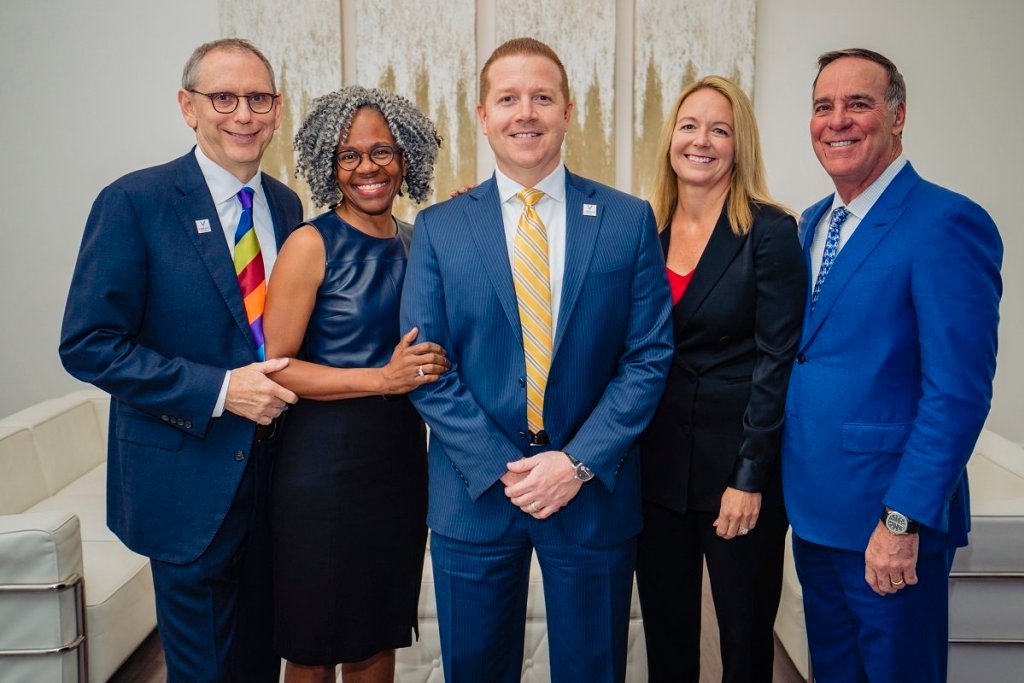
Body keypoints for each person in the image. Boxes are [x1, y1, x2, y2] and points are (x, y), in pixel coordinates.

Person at [399, 37, 674, 683]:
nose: (526, 113)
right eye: (509, 98)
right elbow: (425, 366)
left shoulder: (627, 220)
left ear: (569, 110)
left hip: (590, 491)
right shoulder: (439, 226)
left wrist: (575, 463)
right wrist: (507, 467)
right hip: (476, 492)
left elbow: (649, 355)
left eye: (542, 97)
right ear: (482, 113)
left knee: (593, 669)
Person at [59, 38, 303, 682]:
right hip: (186, 482)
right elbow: (89, 344)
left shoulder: (285, 205)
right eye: (223, 97)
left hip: (274, 481)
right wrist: (222, 390)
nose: (242, 114)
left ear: (277, 109)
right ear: (188, 106)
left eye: (258, 99)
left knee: (256, 661)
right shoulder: (134, 203)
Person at [782, 48, 1002, 682]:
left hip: (888, 525)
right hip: (816, 517)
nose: (838, 120)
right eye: (824, 106)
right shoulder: (813, 224)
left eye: (859, 104)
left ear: (898, 115)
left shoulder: (946, 223)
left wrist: (901, 519)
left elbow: (956, 394)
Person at [262, 86, 446, 683]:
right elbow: (278, 366)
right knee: (313, 644)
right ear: (328, 164)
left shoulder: (421, 243)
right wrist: (383, 378)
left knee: (378, 632)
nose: (368, 168)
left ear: (406, 158)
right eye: (349, 156)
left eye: (382, 151)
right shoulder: (310, 244)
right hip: (318, 473)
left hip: (397, 467)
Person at [635, 76, 806, 682]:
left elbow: (775, 362)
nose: (700, 140)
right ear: (670, 140)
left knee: (742, 646)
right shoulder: (641, 231)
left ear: (740, 145)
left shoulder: (770, 232)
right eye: (689, 126)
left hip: (738, 478)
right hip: (655, 474)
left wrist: (749, 478)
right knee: (667, 643)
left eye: (719, 128)